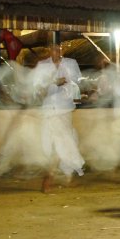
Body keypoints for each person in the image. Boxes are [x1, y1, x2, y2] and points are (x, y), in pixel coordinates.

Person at [33, 43, 85, 193]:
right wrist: (53, 83)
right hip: (49, 110)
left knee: (63, 143)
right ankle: (59, 177)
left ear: (62, 50)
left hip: (64, 109)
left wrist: (67, 82)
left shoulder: (70, 63)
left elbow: (78, 84)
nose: (57, 51)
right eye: (54, 49)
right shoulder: (42, 66)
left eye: (59, 48)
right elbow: (37, 89)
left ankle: (52, 178)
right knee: (56, 144)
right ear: (49, 50)